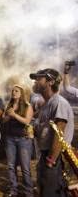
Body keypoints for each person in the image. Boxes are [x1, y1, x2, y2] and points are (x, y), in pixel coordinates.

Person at [30, 68, 74, 197]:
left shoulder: (59, 102)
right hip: (47, 156)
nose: (35, 82)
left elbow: (59, 134)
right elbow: (45, 130)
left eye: (39, 78)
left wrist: (51, 161)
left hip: (55, 158)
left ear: (50, 82)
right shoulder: (47, 104)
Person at [2, 85, 34, 197]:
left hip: (23, 139)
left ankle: (28, 192)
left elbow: (27, 121)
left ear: (21, 93)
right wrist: (9, 116)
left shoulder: (27, 106)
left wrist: (14, 115)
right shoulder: (9, 105)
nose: (14, 93)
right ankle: (13, 190)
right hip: (10, 138)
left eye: (16, 91)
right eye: (13, 91)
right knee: (11, 166)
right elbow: (4, 120)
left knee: (25, 167)